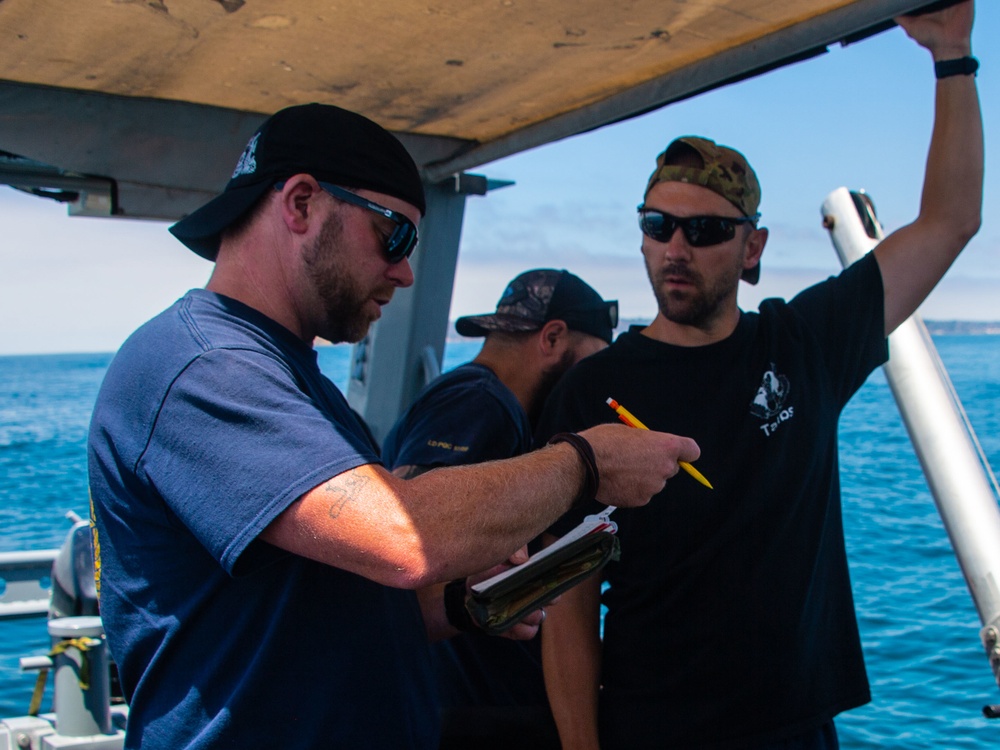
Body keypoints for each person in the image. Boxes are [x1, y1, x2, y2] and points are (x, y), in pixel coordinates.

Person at [86, 102, 700, 750]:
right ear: (299, 204)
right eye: (395, 236)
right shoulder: (203, 369)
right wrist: (588, 463)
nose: (406, 272)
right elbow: (402, 536)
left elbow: (322, 604)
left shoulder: (297, 382)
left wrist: (462, 603)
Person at [534, 3, 983, 749]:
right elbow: (571, 602)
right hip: (652, 729)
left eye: (706, 230)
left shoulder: (804, 343)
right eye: (658, 225)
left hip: (794, 730)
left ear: (752, 247)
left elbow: (950, 221)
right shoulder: (591, 391)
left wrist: (953, 55)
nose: (677, 246)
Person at [382, 268, 617, 749]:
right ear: (552, 338)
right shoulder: (480, 402)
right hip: (478, 716)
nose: (594, 389)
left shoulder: (483, 403)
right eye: (594, 364)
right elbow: (407, 528)